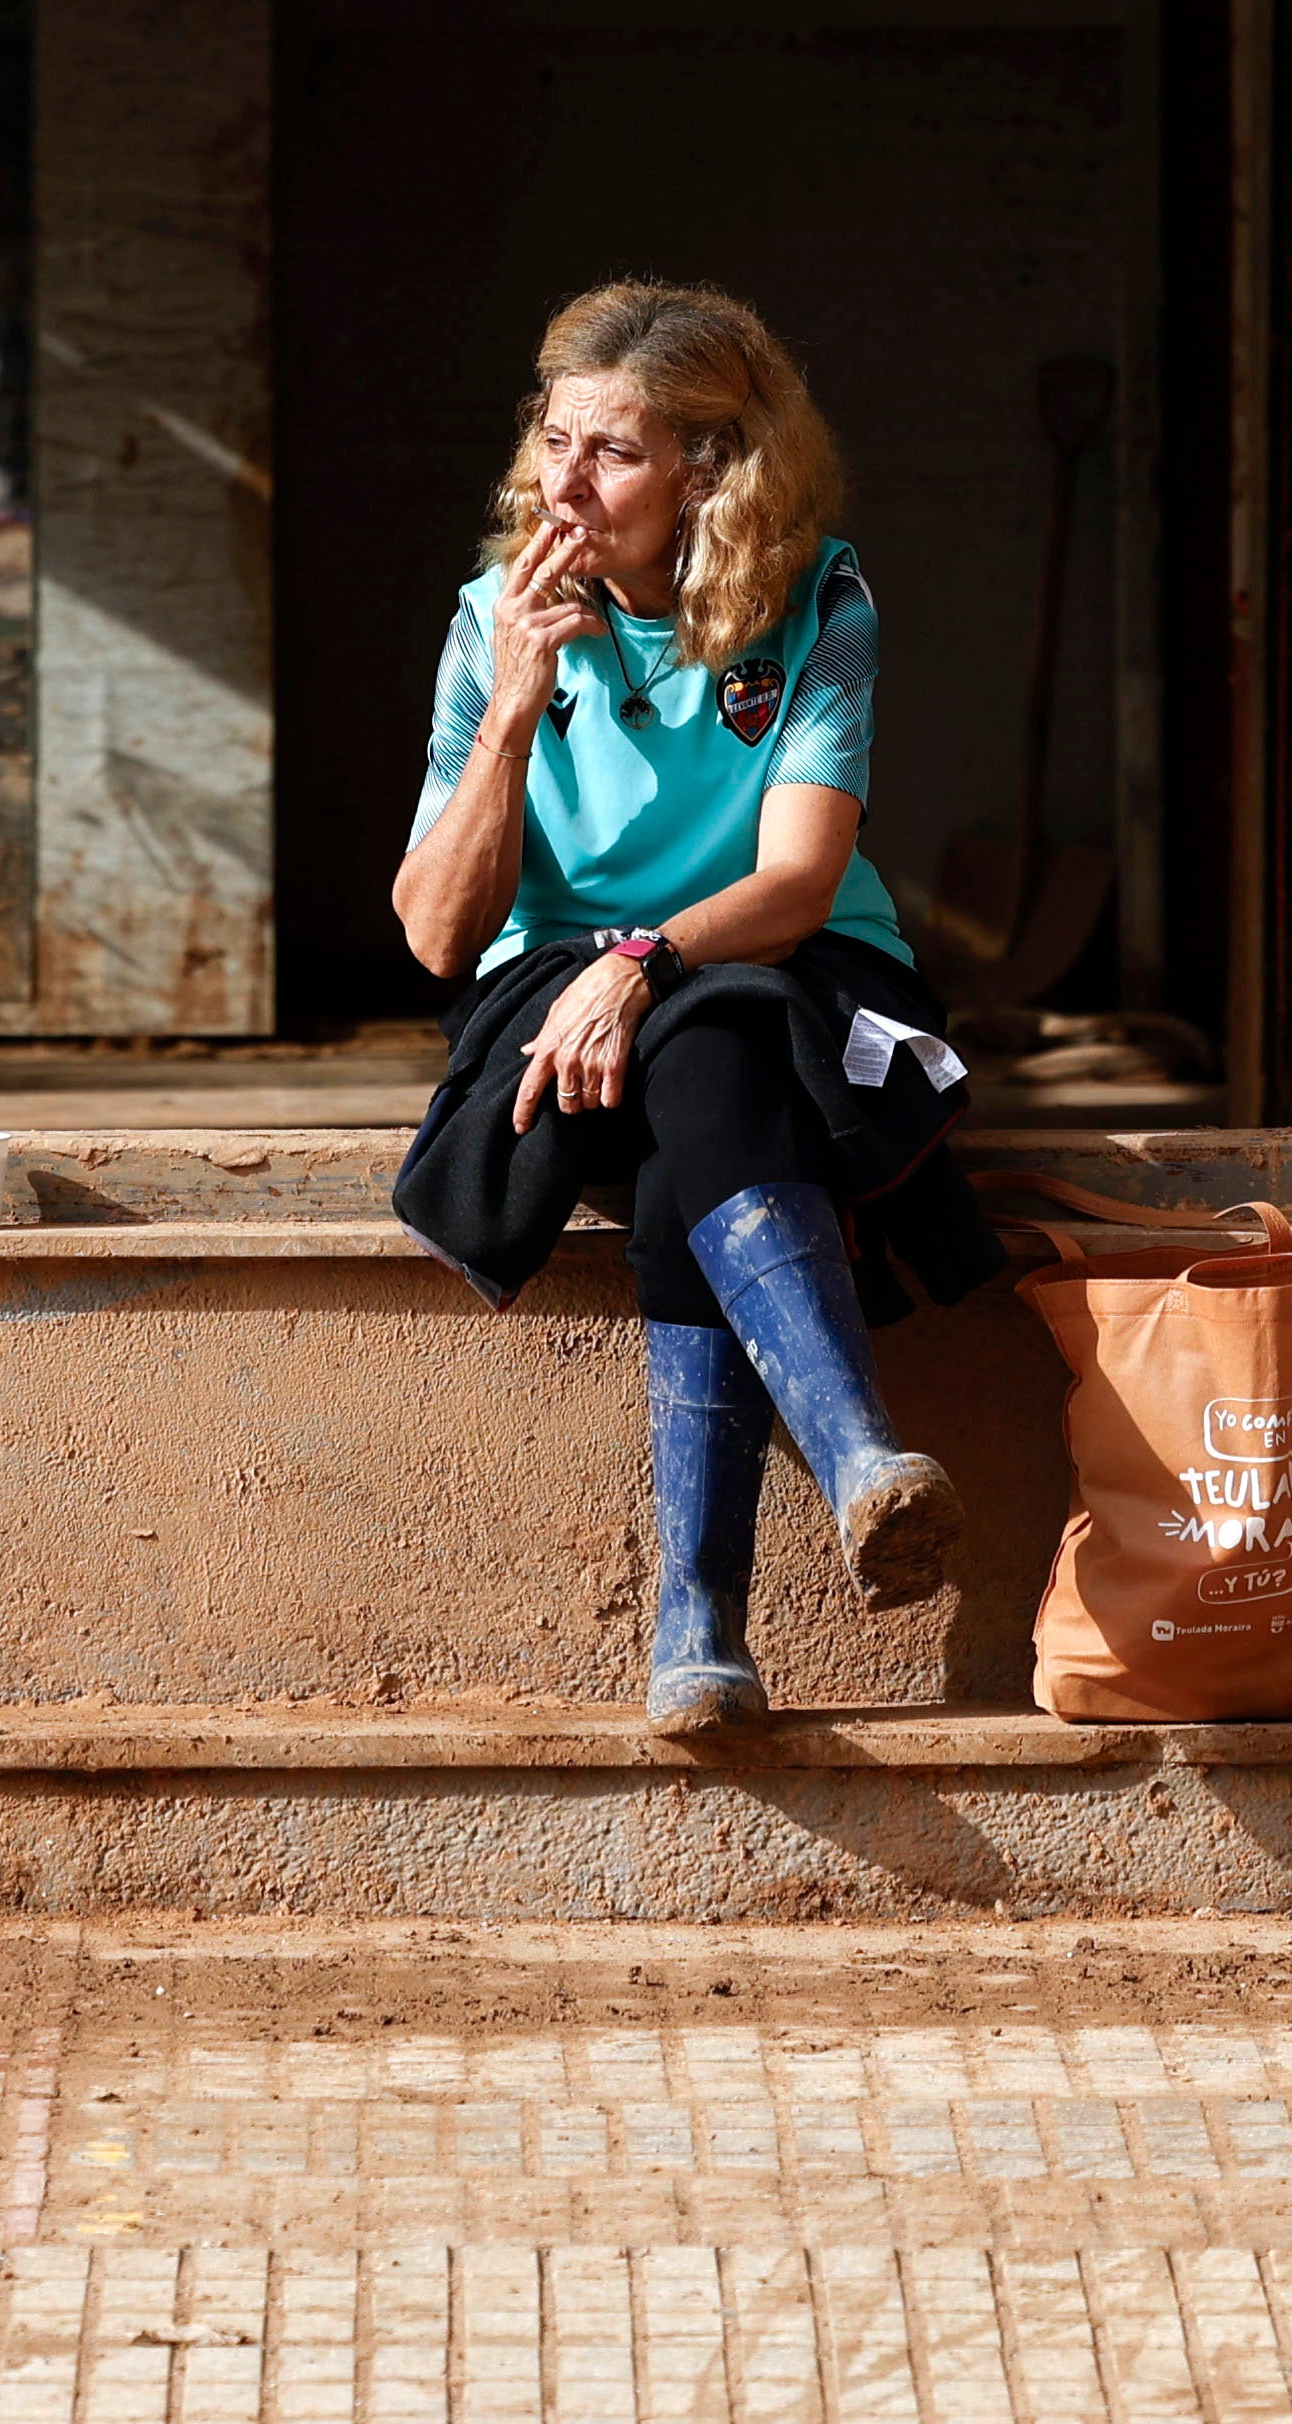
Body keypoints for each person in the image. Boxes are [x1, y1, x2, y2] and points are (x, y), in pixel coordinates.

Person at [386, 280, 1006, 1732]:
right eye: (554, 439)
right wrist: (518, 707)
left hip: (777, 971)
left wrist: (642, 961)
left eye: (611, 450)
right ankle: (852, 1455)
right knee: (708, 1053)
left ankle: (699, 1629)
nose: (564, 481)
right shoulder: (495, 620)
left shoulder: (820, 603)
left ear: (706, 475)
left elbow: (797, 882)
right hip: (560, 1006)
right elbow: (433, 933)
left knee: (712, 1044)